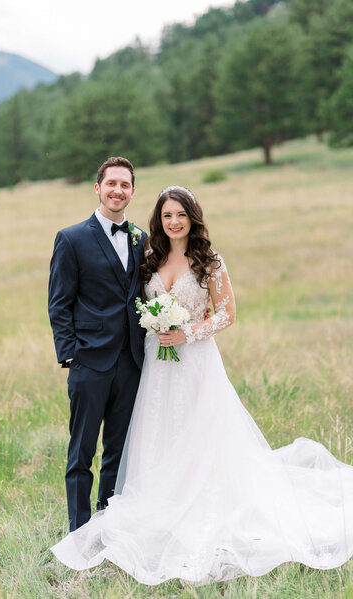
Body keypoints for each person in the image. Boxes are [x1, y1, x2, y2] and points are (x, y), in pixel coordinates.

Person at [51, 186, 353, 585]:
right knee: (154, 435)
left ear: (193, 217)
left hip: (195, 364)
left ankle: (201, 511)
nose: (174, 222)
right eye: (167, 216)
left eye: (181, 214)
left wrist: (188, 333)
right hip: (156, 366)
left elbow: (227, 312)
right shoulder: (148, 256)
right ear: (159, 220)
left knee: (200, 438)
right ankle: (155, 511)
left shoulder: (208, 260)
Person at [48, 156, 147, 532]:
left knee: (118, 453)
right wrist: (71, 354)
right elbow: (59, 302)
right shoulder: (71, 238)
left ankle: (109, 525)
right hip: (89, 362)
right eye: (111, 184)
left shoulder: (141, 239)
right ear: (98, 188)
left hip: (131, 362)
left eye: (125, 185)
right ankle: (79, 530)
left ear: (132, 192)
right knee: (82, 452)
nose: (118, 191)